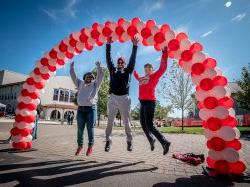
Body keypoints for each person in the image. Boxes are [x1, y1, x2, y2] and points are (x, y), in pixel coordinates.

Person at [133, 46, 171, 155]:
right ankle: (151, 139)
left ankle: (165, 142)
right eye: (145, 68)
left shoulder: (154, 76)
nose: (147, 70)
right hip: (142, 103)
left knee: (149, 125)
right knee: (143, 124)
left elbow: (163, 68)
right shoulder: (141, 78)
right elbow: (135, 75)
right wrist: (129, 67)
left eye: (149, 68)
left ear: (152, 70)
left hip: (150, 102)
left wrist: (164, 53)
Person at [105, 36, 139, 152]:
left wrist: (135, 46)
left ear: (124, 64)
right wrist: (108, 45)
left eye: (122, 62)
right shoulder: (112, 70)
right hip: (113, 98)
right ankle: (108, 141)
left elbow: (132, 60)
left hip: (125, 99)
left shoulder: (128, 70)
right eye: (119, 62)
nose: (120, 63)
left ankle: (129, 141)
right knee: (110, 121)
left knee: (126, 122)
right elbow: (108, 59)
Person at [70, 61, 104, 156]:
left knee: (90, 128)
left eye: (91, 77)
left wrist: (99, 67)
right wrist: (72, 68)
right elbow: (73, 77)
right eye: (87, 76)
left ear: (93, 79)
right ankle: (80, 145)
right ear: (84, 77)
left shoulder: (95, 85)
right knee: (80, 129)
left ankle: (90, 146)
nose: (89, 77)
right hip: (80, 110)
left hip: (91, 109)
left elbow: (100, 76)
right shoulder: (80, 83)